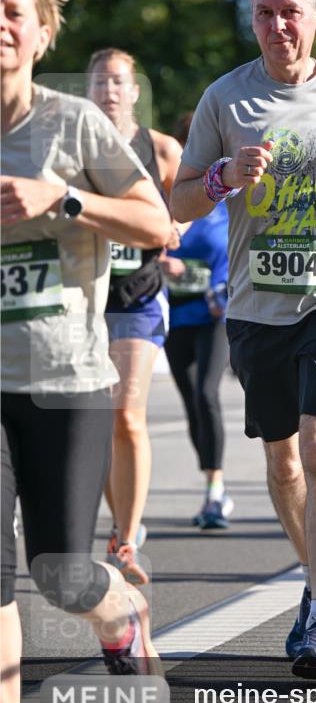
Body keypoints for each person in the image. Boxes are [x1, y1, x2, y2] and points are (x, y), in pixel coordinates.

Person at [170, 0, 316, 680]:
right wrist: (222, 177)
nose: (277, 25)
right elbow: (179, 200)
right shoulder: (224, 98)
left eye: (290, 11)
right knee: (282, 461)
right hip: (257, 307)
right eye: (264, 13)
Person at [1, 0, 170, 703]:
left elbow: (155, 223)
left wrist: (62, 200)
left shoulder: (73, 125)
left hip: (65, 378)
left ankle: (121, 616)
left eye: (12, 11)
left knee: (63, 574)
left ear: (40, 34)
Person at [87, 48, 182, 585]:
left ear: (135, 91)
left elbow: (193, 202)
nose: (109, 91)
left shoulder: (161, 148)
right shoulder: (74, 146)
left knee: (126, 413)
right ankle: (118, 526)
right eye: (100, 82)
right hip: (85, 299)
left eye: (118, 82)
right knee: (99, 422)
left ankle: (125, 540)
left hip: (139, 296)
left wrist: (175, 228)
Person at [162, 112, 233, 528]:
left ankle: (215, 492)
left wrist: (228, 291)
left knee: (207, 393)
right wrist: (161, 264)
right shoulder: (169, 198)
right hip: (176, 312)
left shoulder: (230, 195)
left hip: (215, 314)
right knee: (191, 401)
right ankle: (210, 479)